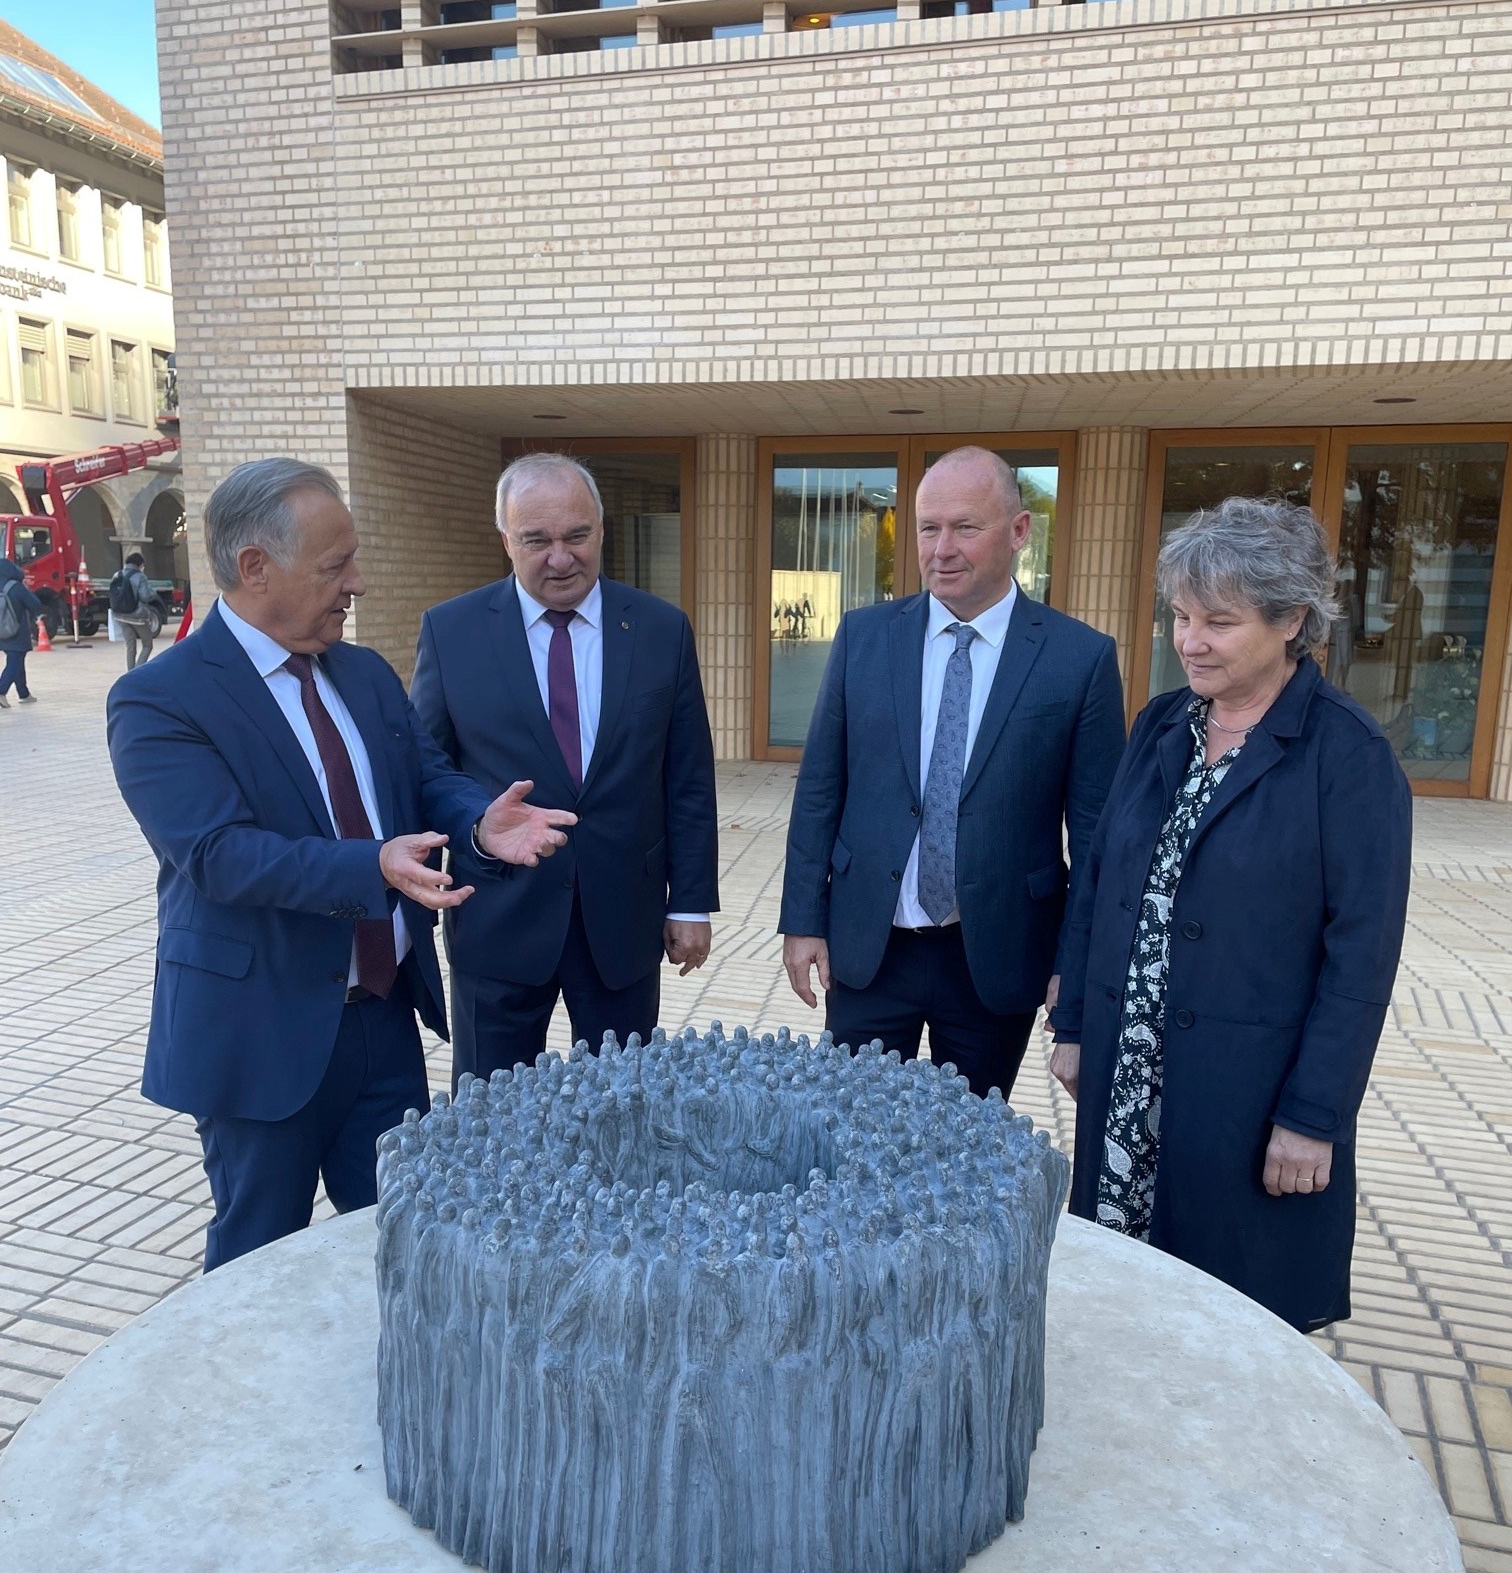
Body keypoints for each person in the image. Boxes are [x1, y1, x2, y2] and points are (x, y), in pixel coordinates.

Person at [106, 458, 576, 1271]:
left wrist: (478, 822)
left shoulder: (360, 671)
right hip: (260, 1029)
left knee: (403, 1246)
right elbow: (217, 855)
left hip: (381, 1019)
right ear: (256, 567)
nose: (356, 582)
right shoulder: (160, 699)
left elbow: (425, 775)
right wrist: (374, 868)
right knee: (258, 1259)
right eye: (335, 566)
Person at [1049, 497, 1412, 1333]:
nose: (1189, 641)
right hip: (1129, 1069)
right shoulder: (1161, 725)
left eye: (1219, 621)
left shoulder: (1349, 758)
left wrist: (1312, 1117)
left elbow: (1362, 958)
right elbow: (1100, 878)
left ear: (1291, 620)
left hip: (1246, 1097)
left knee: (1230, 1325)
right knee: (1125, 1304)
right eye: (1179, 616)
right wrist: (1074, 1023)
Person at [779, 447, 1126, 1100]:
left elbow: (1097, 842)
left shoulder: (1078, 660)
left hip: (995, 957)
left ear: (1020, 531)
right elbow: (820, 789)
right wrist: (803, 918)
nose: (941, 548)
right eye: (927, 528)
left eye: (965, 527)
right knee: (855, 1137)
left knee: (967, 1156)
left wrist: (1075, 971)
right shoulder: (865, 637)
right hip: (870, 949)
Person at [410, 452, 720, 1088]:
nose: (560, 557)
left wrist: (690, 901)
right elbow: (427, 767)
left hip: (622, 922)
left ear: (601, 530)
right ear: (505, 539)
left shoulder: (661, 630)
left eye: (577, 536)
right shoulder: (452, 631)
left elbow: (687, 776)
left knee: (624, 1116)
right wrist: (469, 833)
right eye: (537, 540)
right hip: (497, 915)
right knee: (492, 1123)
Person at [0, 557, 43, 707]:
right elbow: (35, 604)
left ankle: (23, 693)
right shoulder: (16, 587)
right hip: (16, 631)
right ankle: (1, 691)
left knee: (16, 660)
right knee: (15, 661)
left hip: (1, 632)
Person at [110, 551, 160, 671]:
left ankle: (130, 673)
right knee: (147, 645)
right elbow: (144, 596)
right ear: (140, 564)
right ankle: (137, 672)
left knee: (130, 647)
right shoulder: (140, 576)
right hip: (137, 616)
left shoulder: (117, 574)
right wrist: (153, 592)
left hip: (120, 615)